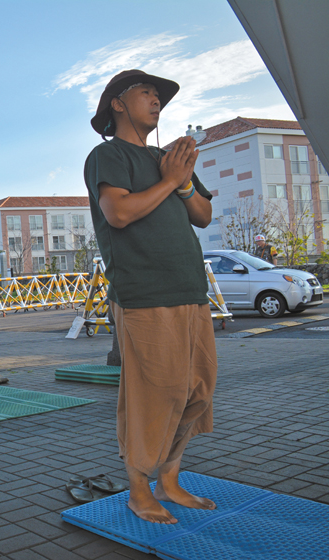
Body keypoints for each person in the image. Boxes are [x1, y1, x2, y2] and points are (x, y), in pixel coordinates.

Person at [84, 70, 217, 524]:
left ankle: (171, 480)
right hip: (143, 293)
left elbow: (203, 213)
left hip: (189, 289)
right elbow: (118, 212)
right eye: (146, 92)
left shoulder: (168, 159)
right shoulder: (108, 154)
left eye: (159, 96)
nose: (156, 99)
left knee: (195, 391)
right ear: (118, 104)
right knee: (152, 395)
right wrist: (169, 180)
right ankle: (139, 490)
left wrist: (181, 181)